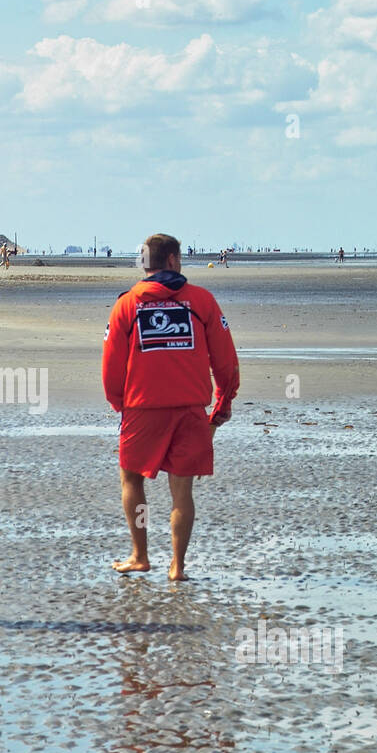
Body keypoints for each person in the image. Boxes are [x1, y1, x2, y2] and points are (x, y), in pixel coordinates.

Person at [102, 233, 240, 581]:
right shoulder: (202, 301)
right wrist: (222, 403)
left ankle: (140, 554)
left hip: (141, 409)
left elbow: (111, 366)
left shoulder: (126, 305)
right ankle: (177, 566)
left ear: (144, 263)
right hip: (190, 408)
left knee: (132, 480)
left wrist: (120, 405)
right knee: (182, 490)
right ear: (174, 260)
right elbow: (225, 360)